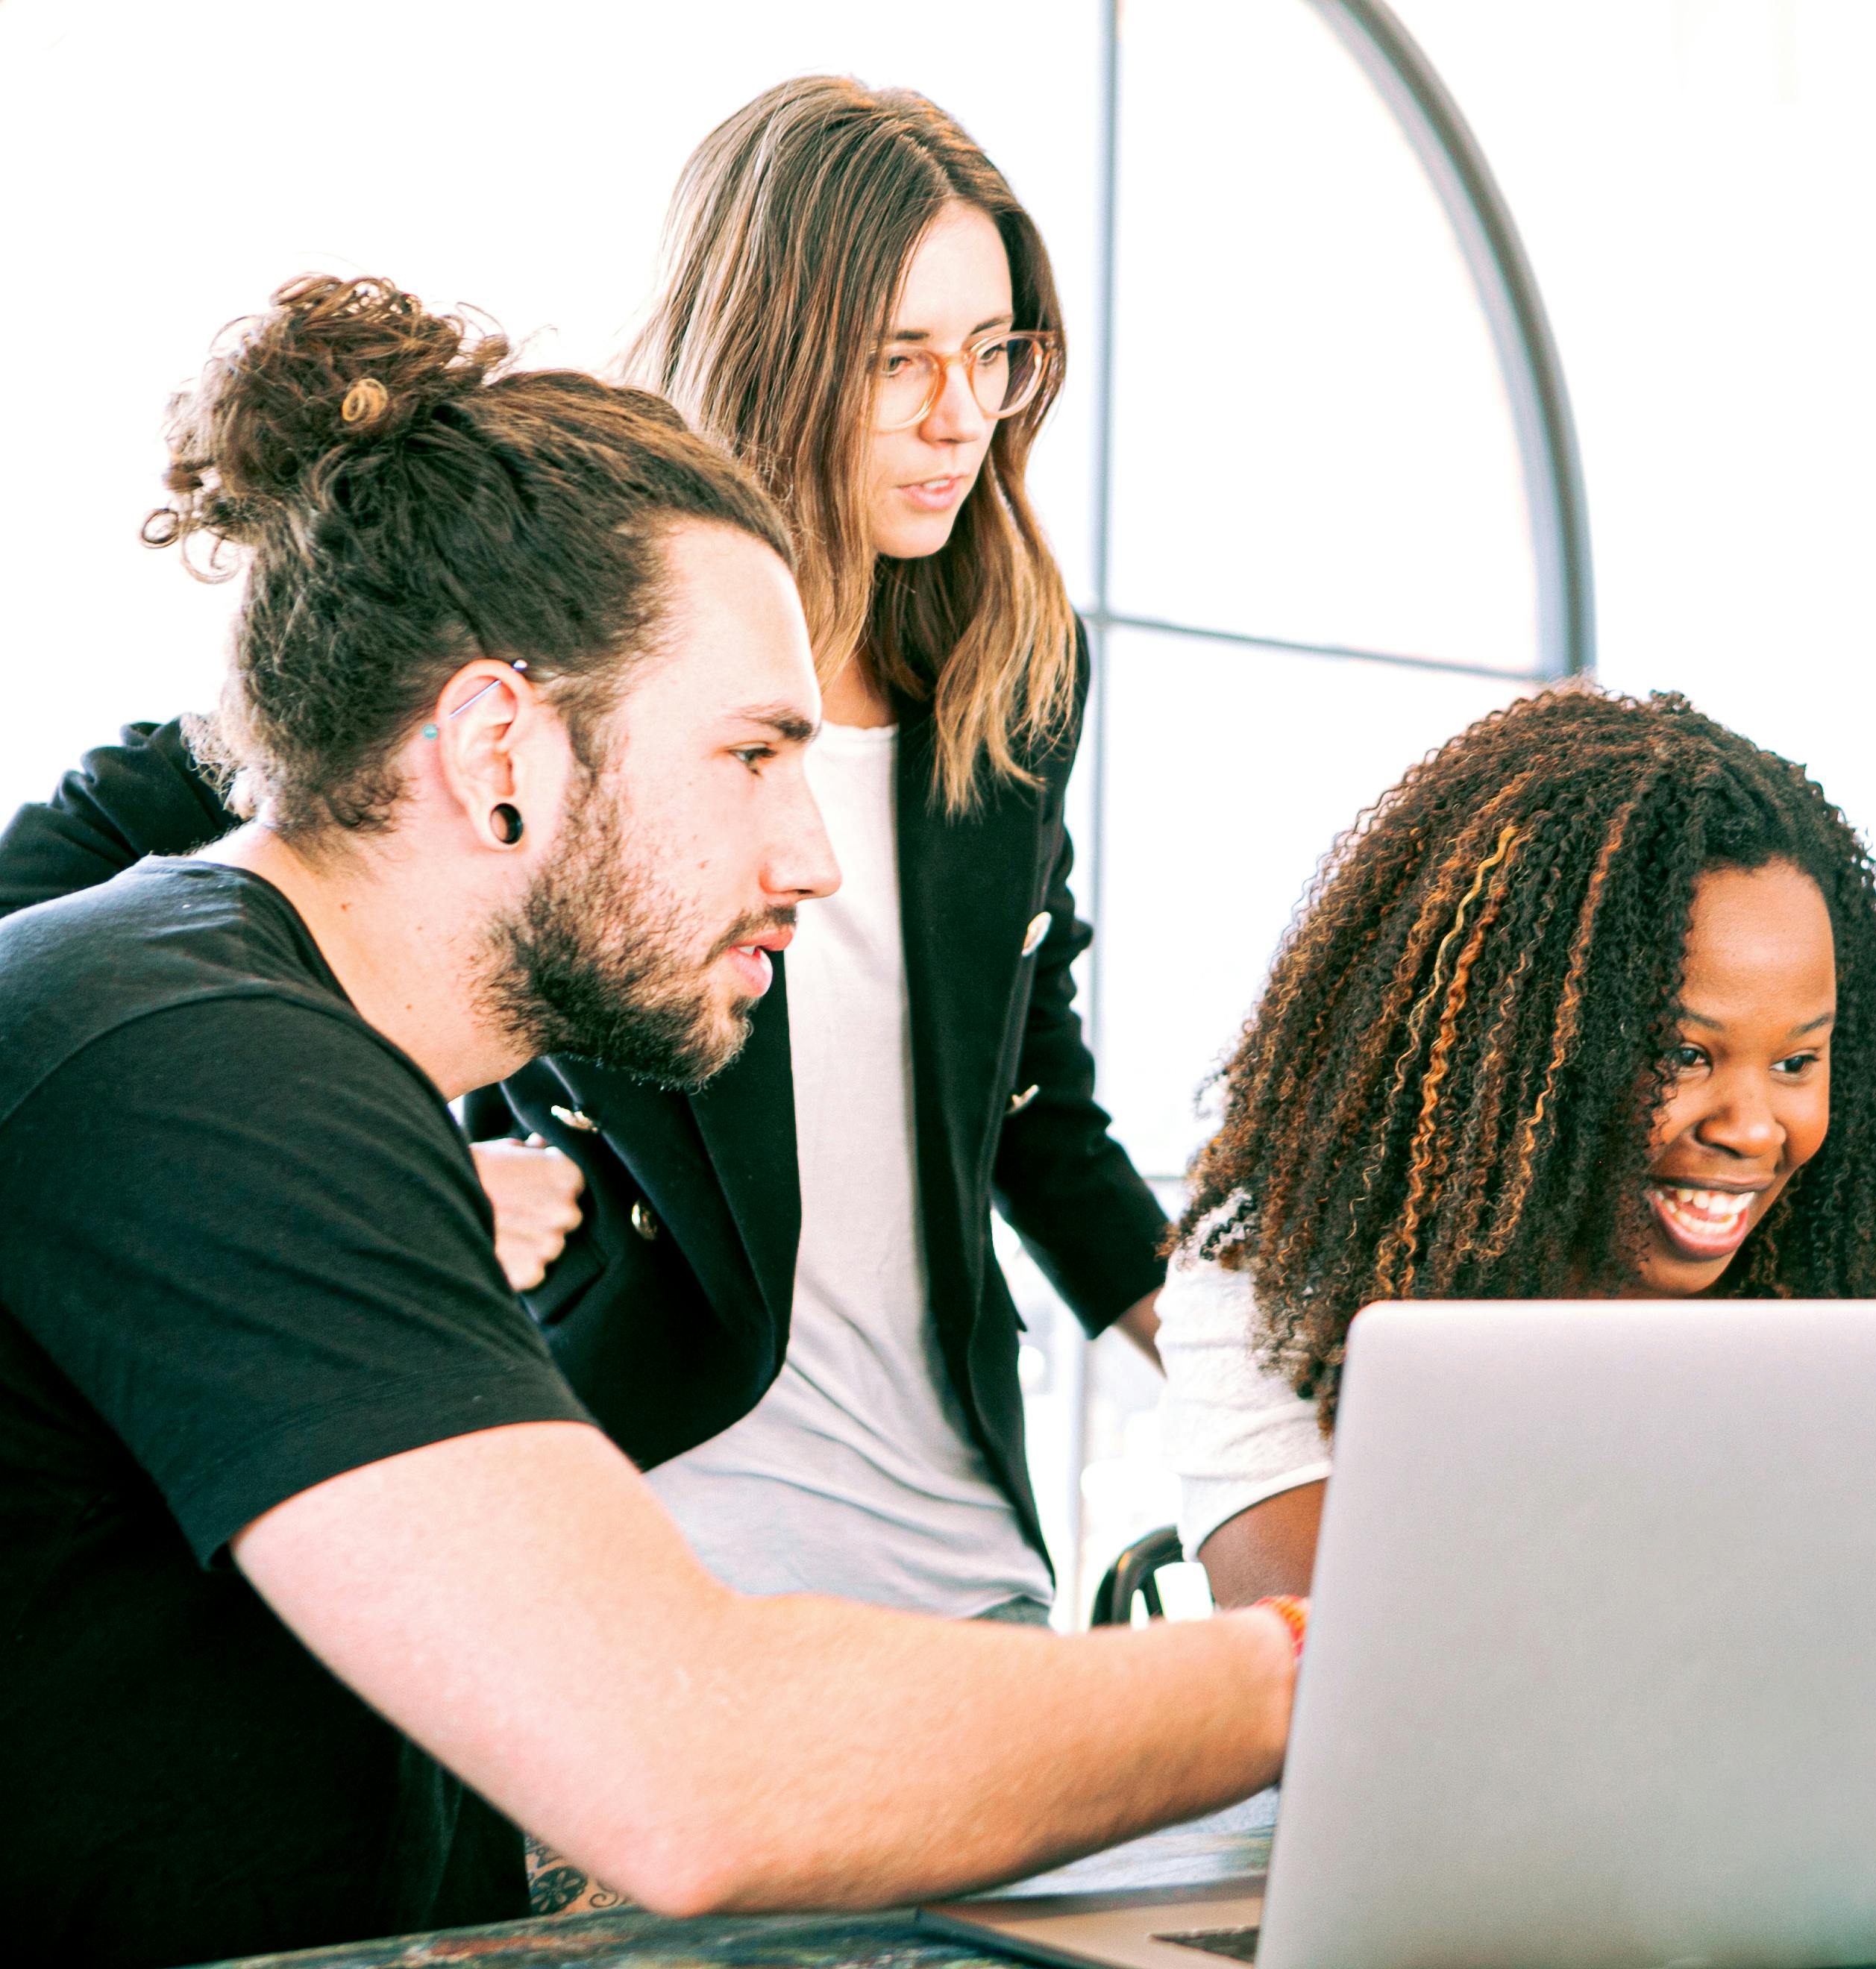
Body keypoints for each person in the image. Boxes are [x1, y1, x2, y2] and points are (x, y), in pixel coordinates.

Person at [0, 274, 1294, 1969]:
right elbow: (693, 1768)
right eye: (755, 756)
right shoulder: (190, 1056)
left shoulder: (282, 1043)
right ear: (496, 748)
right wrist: (1325, 1667)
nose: (813, 859)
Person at [0, 78, 1168, 1624]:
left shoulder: (1012, 673)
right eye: (902, 360)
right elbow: (86, 916)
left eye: (995, 353)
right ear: (779, 346)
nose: (964, 414)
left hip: (957, 1554)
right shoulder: (545, 620)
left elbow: (1033, 1102)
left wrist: (1265, 1373)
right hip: (633, 1540)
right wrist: (390, 1170)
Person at [1160, 687, 1876, 1819]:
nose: (1751, 1128)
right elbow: (1352, 1699)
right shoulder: (1281, 1266)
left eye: (1798, 1062)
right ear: (1523, 1044)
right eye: (1684, 1053)